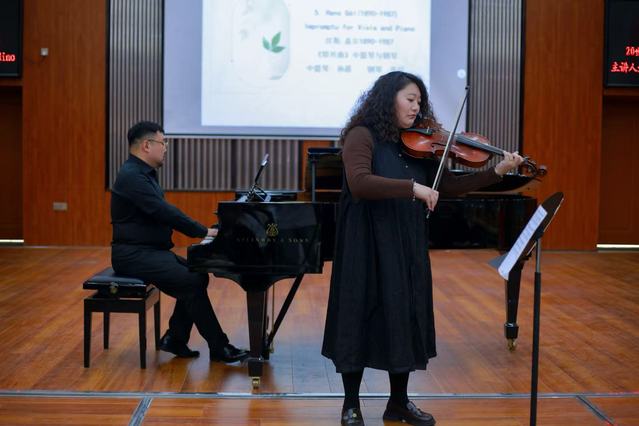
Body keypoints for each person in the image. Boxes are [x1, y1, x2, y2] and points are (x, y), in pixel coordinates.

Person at [321, 72, 524, 426]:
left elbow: (450, 185)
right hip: (364, 244)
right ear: (388, 99)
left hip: (405, 241)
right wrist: (412, 188)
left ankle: (398, 403)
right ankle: (351, 405)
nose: (416, 107)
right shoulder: (361, 136)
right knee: (357, 315)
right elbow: (360, 182)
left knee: (404, 315)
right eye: (410, 99)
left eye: (419, 101)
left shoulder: (419, 143)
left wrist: (498, 171)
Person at [111, 121, 249, 363]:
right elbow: (165, 212)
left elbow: (163, 212)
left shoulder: (142, 174)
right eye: (163, 142)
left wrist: (203, 232)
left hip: (150, 252)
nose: (165, 148)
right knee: (191, 280)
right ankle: (219, 347)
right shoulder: (132, 177)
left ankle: (175, 338)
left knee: (198, 274)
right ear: (146, 145)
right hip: (134, 255)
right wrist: (203, 231)